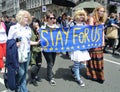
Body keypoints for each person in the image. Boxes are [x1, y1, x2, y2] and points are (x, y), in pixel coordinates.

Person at [8, 10, 39, 92]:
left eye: (28, 17)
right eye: (25, 17)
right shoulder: (13, 28)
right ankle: (17, 87)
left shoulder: (28, 28)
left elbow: (28, 41)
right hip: (18, 53)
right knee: (21, 72)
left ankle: (24, 89)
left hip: (27, 53)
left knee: (25, 72)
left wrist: (36, 42)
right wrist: (15, 44)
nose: (27, 18)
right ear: (20, 17)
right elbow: (9, 43)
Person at [86, 6, 107, 83]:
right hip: (93, 41)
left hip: (99, 41)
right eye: (100, 11)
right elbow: (91, 30)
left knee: (99, 58)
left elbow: (102, 32)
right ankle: (92, 74)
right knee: (93, 58)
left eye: (103, 11)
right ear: (97, 11)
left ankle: (99, 76)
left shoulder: (102, 20)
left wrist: (103, 41)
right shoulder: (92, 18)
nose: (102, 13)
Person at [70, 9, 91, 87]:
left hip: (83, 46)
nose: (82, 16)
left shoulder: (84, 24)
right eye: (80, 15)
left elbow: (87, 34)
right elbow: (67, 34)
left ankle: (73, 70)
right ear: (77, 16)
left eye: (83, 15)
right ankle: (78, 78)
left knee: (84, 64)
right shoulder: (72, 24)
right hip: (75, 46)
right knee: (77, 63)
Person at [40, 12, 59, 85]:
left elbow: (59, 39)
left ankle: (49, 74)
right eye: (51, 18)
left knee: (52, 62)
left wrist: (58, 49)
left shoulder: (57, 27)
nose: (52, 19)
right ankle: (50, 77)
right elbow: (40, 38)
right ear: (47, 19)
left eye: (54, 18)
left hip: (54, 48)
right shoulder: (43, 28)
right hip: (46, 48)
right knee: (50, 62)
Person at [29, 18, 42, 86]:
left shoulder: (39, 30)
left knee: (39, 64)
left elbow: (41, 39)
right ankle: (33, 78)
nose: (36, 23)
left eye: (37, 22)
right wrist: (36, 43)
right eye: (34, 22)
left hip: (38, 49)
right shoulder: (30, 31)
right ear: (32, 23)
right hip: (32, 50)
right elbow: (28, 42)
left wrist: (39, 32)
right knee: (33, 65)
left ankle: (35, 76)